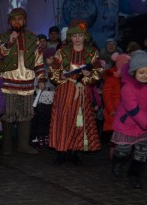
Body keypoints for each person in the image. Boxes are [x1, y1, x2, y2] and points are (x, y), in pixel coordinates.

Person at [48, 20, 102, 165]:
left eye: (80, 35)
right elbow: (53, 70)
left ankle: (75, 152)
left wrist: (88, 76)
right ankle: (61, 151)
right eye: (74, 36)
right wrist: (61, 76)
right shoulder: (61, 52)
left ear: (85, 36)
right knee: (63, 120)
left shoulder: (93, 53)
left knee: (79, 121)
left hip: (81, 91)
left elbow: (98, 72)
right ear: (70, 37)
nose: (77, 39)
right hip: (65, 90)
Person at [0, 7, 46, 155]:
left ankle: (23, 145)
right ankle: (7, 146)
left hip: (27, 83)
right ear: (10, 21)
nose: (17, 22)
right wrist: (9, 43)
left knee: (26, 114)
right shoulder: (2, 37)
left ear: (25, 21)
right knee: (7, 114)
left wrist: (41, 77)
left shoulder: (33, 38)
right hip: (8, 83)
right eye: (14, 19)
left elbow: (39, 60)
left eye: (20, 18)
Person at [110, 50, 147, 189]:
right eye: (142, 72)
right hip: (127, 125)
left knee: (142, 152)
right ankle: (117, 161)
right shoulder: (127, 88)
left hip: (143, 128)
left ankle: (134, 176)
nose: (146, 75)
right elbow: (134, 109)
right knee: (123, 150)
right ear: (134, 72)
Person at [102, 52, 131, 159]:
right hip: (115, 112)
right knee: (116, 137)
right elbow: (107, 95)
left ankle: (121, 156)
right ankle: (114, 158)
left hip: (126, 112)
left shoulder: (128, 78)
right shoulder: (112, 79)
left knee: (123, 136)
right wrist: (111, 110)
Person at [31, 47, 56, 150]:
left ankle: (47, 136)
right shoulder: (41, 69)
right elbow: (36, 81)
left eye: (54, 58)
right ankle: (39, 136)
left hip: (52, 95)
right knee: (41, 117)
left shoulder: (56, 69)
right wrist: (38, 84)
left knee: (49, 118)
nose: (52, 60)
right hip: (42, 95)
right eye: (49, 58)